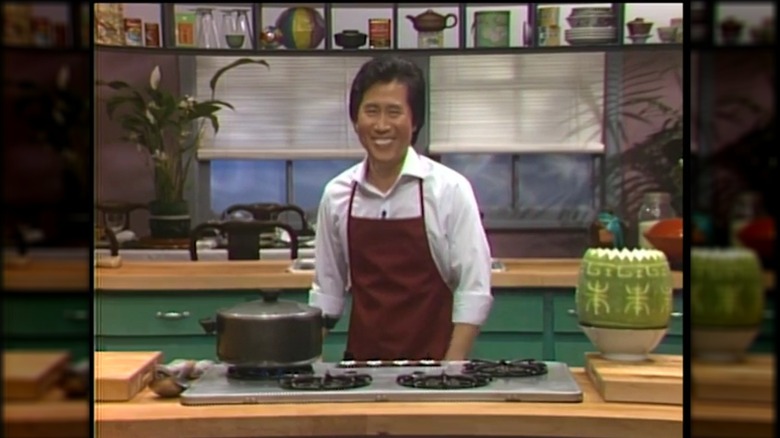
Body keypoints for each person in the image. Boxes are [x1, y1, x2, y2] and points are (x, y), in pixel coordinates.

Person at [308, 55, 494, 361]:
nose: (382, 125)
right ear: (356, 120)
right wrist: (304, 362)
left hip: (435, 368)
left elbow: (474, 288)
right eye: (371, 111)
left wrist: (451, 367)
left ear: (415, 120)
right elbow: (328, 293)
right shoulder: (338, 194)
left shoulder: (448, 189)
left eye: (394, 112)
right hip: (361, 369)